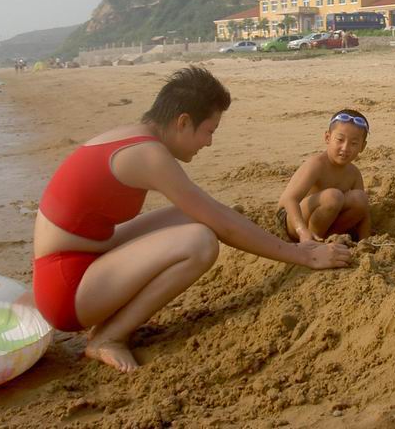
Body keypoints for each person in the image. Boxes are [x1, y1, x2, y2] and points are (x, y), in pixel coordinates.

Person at [32, 67, 351, 373]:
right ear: (183, 122)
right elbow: (222, 224)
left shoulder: (132, 138)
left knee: (189, 216)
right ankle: (108, 337)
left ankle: (107, 325)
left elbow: (212, 212)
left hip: (81, 261)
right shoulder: (148, 155)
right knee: (200, 242)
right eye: (209, 131)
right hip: (66, 288)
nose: (209, 142)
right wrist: (303, 256)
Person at [276, 109, 371, 243]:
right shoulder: (316, 164)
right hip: (293, 220)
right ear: (327, 137)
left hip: (327, 224)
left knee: (360, 198)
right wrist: (301, 230)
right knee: (333, 196)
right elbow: (288, 200)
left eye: (354, 143)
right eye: (340, 140)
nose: (345, 148)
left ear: (363, 146)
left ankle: (324, 239)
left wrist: (365, 241)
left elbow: (363, 212)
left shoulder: (354, 173)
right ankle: (311, 243)